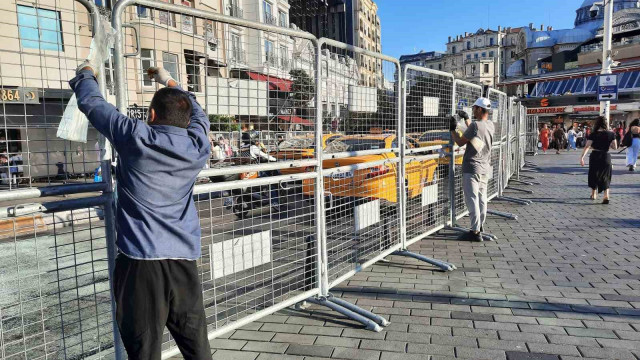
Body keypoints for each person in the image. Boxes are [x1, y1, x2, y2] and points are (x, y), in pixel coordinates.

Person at [70, 62, 212, 359]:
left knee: (143, 351)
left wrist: (86, 72)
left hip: (140, 265)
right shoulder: (198, 146)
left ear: (151, 115)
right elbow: (197, 111)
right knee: (197, 348)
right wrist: (168, 79)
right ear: (185, 120)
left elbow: (92, 103)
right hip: (183, 261)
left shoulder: (134, 136)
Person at [449, 97, 494, 242]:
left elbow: (460, 142)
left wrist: (452, 129)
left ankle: (475, 232)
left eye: (474, 108)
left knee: (472, 199)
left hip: (472, 166)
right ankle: (480, 226)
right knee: (482, 199)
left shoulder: (475, 125)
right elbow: (476, 133)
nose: (473, 111)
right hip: (484, 167)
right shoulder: (490, 125)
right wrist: (467, 119)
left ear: (480, 109)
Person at [580, 116, 617, 204]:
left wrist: (582, 157)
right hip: (606, 156)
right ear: (606, 124)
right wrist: (608, 143)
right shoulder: (611, 134)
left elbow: (587, 146)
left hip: (595, 155)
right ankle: (606, 195)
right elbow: (615, 147)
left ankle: (594, 194)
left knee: (594, 174)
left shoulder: (593, 134)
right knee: (606, 175)